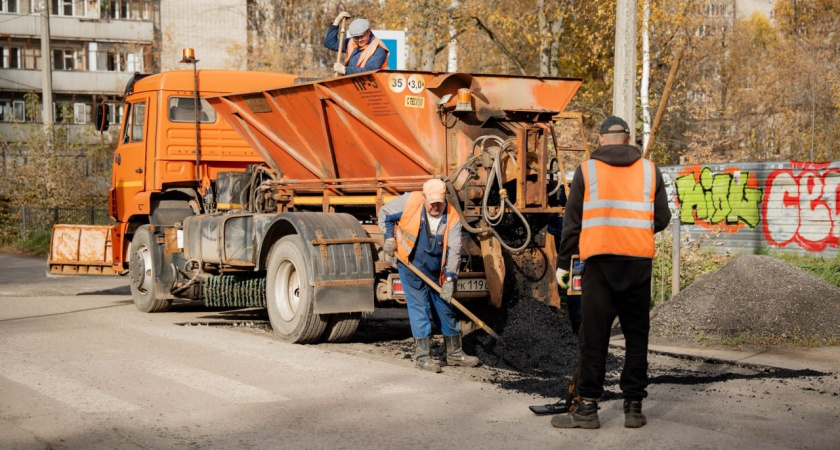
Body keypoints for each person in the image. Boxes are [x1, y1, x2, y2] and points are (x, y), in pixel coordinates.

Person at [552, 116, 672, 429]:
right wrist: (635, 232)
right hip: (637, 264)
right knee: (636, 338)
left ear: (602, 140)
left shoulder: (587, 170)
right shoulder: (649, 169)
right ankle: (633, 409)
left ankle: (588, 409)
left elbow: (572, 223)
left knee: (594, 338)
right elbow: (662, 218)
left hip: (600, 266)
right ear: (629, 139)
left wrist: (563, 264)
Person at [378, 178, 479, 373]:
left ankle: (455, 354)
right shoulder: (410, 201)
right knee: (420, 309)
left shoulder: (452, 217)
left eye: (439, 202)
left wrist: (450, 280)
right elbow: (385, 214)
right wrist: (389, 238)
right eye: (431, 202)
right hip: (410, 264)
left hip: (436, 270)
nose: (435, 207)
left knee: (445, 307)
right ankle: (423, 357)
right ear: (424, 197)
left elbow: (454, 250)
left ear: (445, 199)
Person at [324, 11, 389, 75]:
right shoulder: (351, 42)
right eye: (356, 37)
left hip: (374, 83)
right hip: (353, 82)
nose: (359, 40)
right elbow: (330, 43)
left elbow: (369, 71)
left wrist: (345, 70)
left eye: (362, 36)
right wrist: (336, 22)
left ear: (368, 32)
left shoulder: (378, 48)